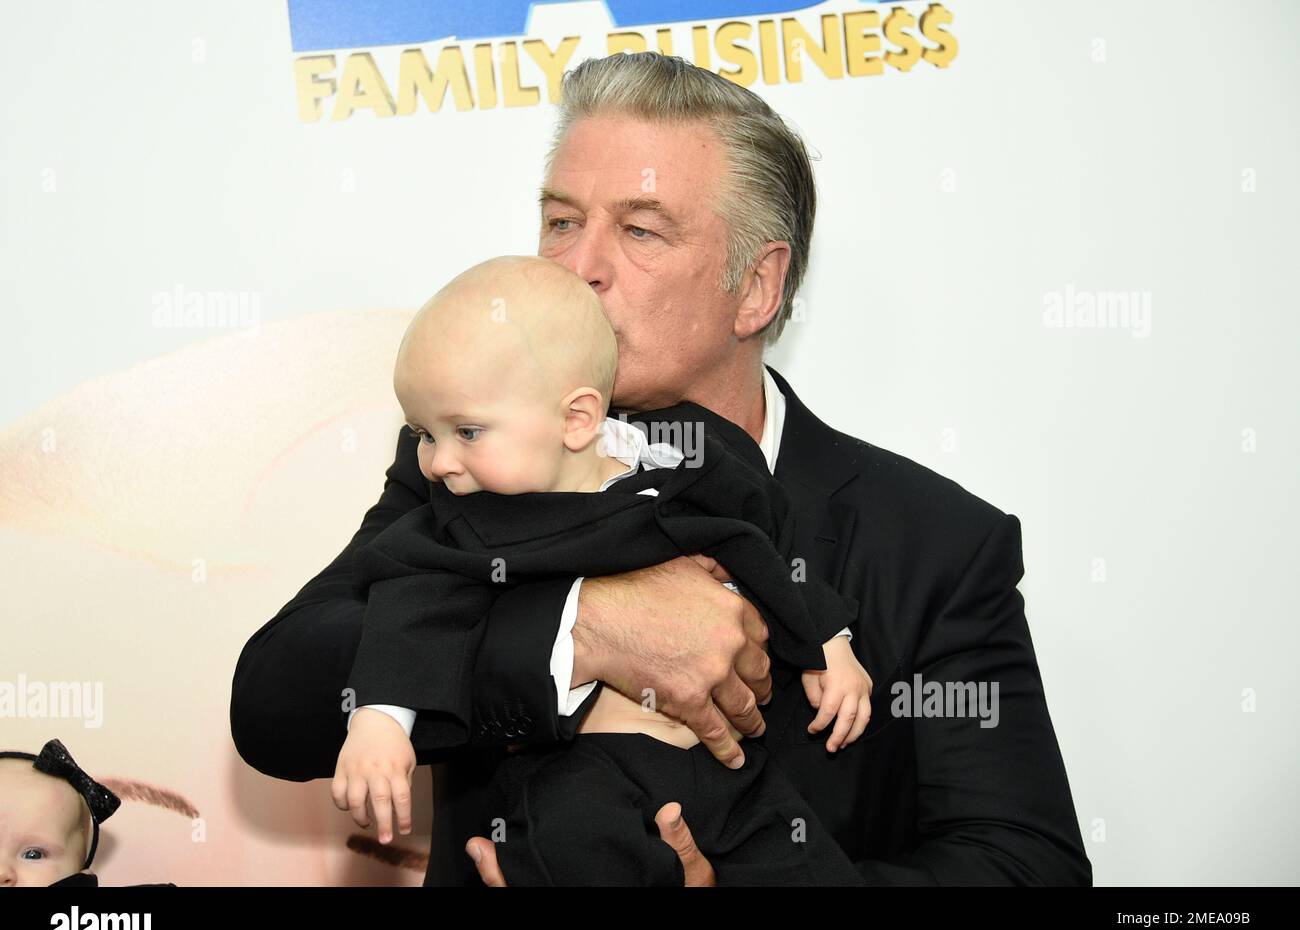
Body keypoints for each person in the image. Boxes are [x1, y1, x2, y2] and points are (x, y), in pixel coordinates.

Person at [231, 51, 1091, 886]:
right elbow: (275, 700)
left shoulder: (937, 542)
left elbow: (1026, 866)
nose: (577, 266)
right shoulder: (466, 461)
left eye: (639, 230)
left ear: (756, 287)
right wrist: (586, 630)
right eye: (561, 221)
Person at [330, 255, 872, 884]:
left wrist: (826, 639)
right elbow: (413, 604)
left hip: (725, 773)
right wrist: (380, 723)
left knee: (809, 867)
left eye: (467, 432)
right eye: (424, 433)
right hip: (585, 775)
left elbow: (757, 544)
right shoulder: (470, 520)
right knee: (579, 844)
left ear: (578, 418)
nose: (436, 462)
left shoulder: (681, 464)